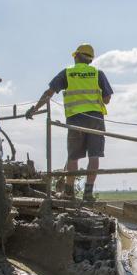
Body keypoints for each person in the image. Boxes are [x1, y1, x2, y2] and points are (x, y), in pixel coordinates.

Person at [26, 43, 112, 201]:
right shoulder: (98, 74)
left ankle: (69, 192)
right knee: (94, 157)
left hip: (75, 120)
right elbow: (106, 100)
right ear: (90, 60)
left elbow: (48, 93)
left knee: (73, 157)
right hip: (95, 120)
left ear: (77, 56)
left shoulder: (67, 73)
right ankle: (88, 194)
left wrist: (34, 109)